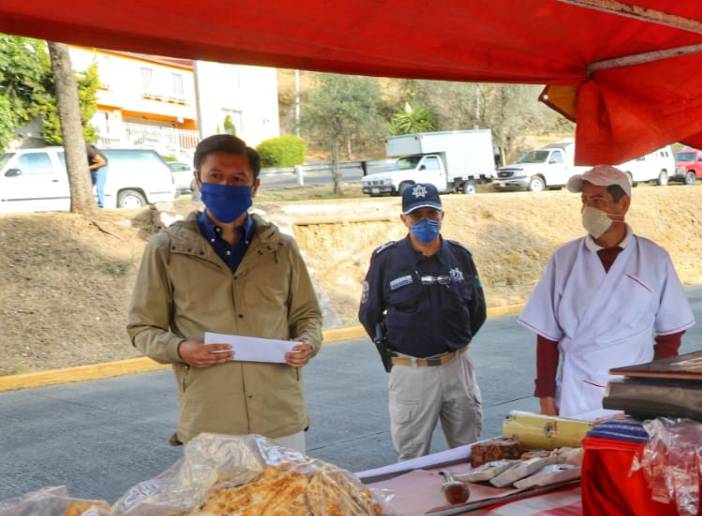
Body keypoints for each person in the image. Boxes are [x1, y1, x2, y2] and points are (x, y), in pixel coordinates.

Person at [127, 134, 322, 452]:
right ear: (198, 182)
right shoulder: (167, 249)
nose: (226, 186)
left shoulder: (281, 249)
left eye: (237, 179)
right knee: (218, 505)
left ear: (254, 187)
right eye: (215, 177)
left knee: (287, 501)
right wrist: (181, 349)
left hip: (280, 417)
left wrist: (307, 343)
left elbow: (308, 315)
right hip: (211, 423)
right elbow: (142, 328)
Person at [518, 165, 695, 417]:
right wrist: (545, 395)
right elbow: (547, 335)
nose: (588, 208)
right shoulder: (564, 258)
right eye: (584, 200)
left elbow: (671, 332)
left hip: (633, 390)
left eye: (598, 200)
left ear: (623, 204)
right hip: (575, 390)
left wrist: (653, 381)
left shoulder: (654, 258)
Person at [358, 183, 486, 460]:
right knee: (412, 458)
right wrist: (396, 349)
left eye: (432, 213)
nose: (425, 220)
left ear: (443, 215)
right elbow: (368, 314)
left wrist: (453, 342)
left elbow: (478, 310)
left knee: (468, 451)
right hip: (411, 371)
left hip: (457, 367)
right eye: (417, 215)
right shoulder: (386, 260)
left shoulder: (460, 256)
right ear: (404, 219)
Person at [86, 143, 107, 208]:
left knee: (99, 187)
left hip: (101, 167)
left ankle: (101, 205)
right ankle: (88, 203)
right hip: (91, 166)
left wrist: (87, 168)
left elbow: (102, 162)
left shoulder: (88, 150)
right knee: (88, 187)